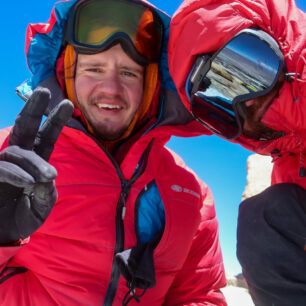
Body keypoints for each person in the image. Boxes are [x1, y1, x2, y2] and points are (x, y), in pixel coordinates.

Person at [0, 0, 227, 305]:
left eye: (130, 73)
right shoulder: (9, 158)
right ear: (66, 73)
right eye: (94, 68)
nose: (111, 88)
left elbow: (201, 295)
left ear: (153, 85)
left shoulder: (191, 194)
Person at [167, 0, 306, 305]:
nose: (248, 101)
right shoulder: (288, 174)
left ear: (281, 45)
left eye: (252, 67)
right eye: (221, 96)